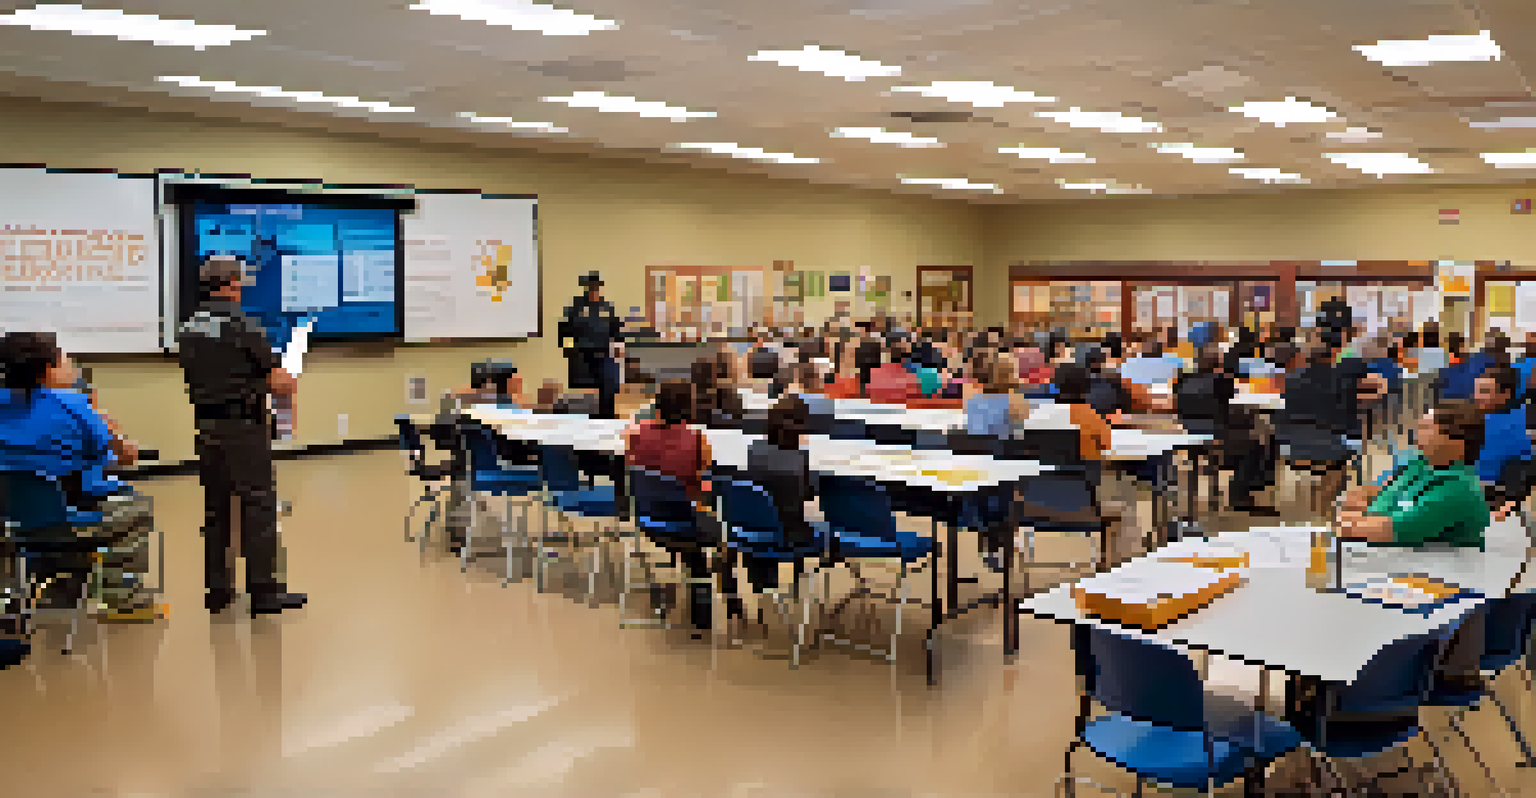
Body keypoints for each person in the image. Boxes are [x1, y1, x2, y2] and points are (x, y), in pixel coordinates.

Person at [175, 256, 306, 616]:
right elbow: (276, 380)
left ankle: (218, 591)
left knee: (216, 510)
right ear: (232, 283)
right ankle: (264, 593)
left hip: (207, 427)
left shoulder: (187, 328)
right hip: (243, 429)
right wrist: (287, 376)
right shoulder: (242, 325)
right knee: (258, 506)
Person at [0, 331, 158, 619]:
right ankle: (123, 598)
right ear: (48, 369)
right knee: (135, 507)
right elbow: (116, 458)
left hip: (9, 520)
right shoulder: (72, 405)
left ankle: (36, 589)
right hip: (68, 519)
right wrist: (111, 429)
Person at [623, 381, 726, 630]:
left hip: (649, 520)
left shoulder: (637, 433)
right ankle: (708, 614)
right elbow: (704, 481)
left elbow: (630, 461)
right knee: (718, 530)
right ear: (689, 408)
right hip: (686, 521)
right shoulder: (697, 440)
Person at [743, 395, 818, 593]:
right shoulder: (800, 459)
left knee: (768, 510)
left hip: (755, 532)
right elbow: (809, 495)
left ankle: (764, 585)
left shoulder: (754, 450)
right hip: (790, 536)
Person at [558, 271, 622, 420]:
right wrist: (568, 349)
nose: (594, 290)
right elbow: (565, 330)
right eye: (591, 287)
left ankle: (608, 419)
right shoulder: (576, 308)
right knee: (588, 395)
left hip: (604, 355)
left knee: (609, 387)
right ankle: (589, 420)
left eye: (596, 287)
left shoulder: (606, 307)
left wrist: (619, 346)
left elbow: (616, 330)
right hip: (583, 356)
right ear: (586, 288)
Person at [1472, 366, 1532, 487]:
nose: (1476, 397)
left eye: (1484, 391)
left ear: (1505, 394)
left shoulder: (1493, 427)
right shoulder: (1522, 412)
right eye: (1476, 391)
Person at [1051, 363, 1112, 463]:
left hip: (1045, 475)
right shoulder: (1091, 417)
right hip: (1084, 474)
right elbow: (1106, 445)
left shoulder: (1043, 413)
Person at [966, 353, 1027, 439]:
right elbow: (1018, 432)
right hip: (1004, 448)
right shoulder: (1013, 400)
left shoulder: (973, 400)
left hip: (978, 448)